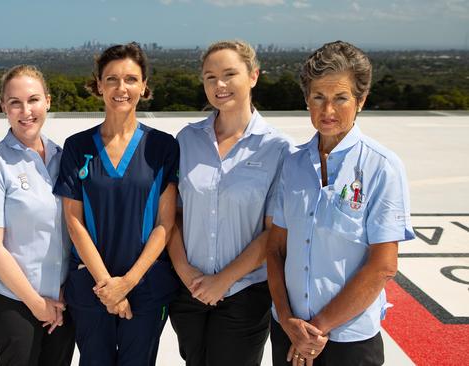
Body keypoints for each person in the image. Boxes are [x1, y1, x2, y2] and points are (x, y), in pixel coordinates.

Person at [266, 41, 416, 366]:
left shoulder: (382, 167)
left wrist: (317, 330)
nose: (327, 111)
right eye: (318, 97)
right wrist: (289, 321)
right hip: (289, 335)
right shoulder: (291, 164)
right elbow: (275, 249)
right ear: (307, 99)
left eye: (340, 98)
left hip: (349, 342)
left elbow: (383, 266)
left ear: (361, 100)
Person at [167, 40, 294, 366]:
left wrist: (222, 281)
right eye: (210, 77)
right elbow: (173, 216)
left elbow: (273, 232)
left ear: (253, 76)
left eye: (229, 74)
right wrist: (185, 272)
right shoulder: (187, 139)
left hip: (244, 294)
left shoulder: (277, 148)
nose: (219, 85)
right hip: (188, 291)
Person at [53, 42, 179, 366]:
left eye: (131, 79)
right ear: (98, 85)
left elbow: (165, 223)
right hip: (92, 286)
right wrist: (107, 286)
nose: (121, 88)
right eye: (111, 79)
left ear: (144, 85)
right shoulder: (77, 146)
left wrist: (127, 284)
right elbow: (74, 222)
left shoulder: (163, 146)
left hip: (146, 287)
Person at [0, 65, 74, 366]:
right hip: (16, 303)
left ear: (48, 101)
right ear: (3, 107)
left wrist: (64, 294)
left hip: (62, 300)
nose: (25, 110)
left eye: (33, 100)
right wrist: (37, 304)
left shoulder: (63, 157)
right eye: (15, 102)